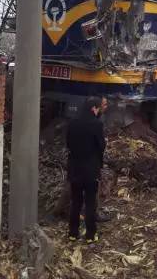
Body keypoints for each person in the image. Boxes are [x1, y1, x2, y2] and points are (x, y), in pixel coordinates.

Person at [67, 96, 106, 243]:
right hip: (90, 169)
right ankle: (90, 234)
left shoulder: (73, 122)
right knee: (90, 202)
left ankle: (73, 232)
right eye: (97, 108)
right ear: (93, 109)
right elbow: (101, 146)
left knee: (75, 201)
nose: (98, 111)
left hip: (75, 168)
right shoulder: (96, 124)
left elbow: (68, 143)